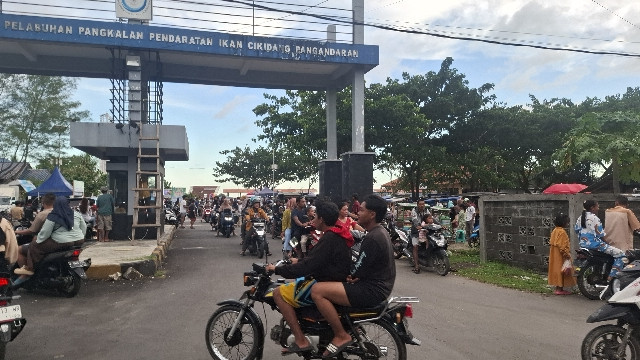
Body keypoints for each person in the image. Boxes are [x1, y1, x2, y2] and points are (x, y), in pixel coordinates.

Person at [310, 194, 396, 358]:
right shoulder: (380, 232)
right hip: (379, 287)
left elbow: (358, 269)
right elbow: (366, 265)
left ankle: (341, 335)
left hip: (372, 291)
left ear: (372, 214)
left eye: (361, 210)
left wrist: (351, 275)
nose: (356, 214)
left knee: (317, 291)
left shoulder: (373, 237)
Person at [265, 201, 352, 355]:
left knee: (278, 293)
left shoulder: (329, 238)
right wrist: (298, 261)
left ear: (322, 219)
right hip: (330, 277)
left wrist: (277, 269)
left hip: (324, 282)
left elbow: (308, 266)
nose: (313, 219)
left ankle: (301, 340)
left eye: (316, 216)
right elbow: (316, 259)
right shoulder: (335, 233)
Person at [14, 196, 86, 278]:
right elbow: (84, 228)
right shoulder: (76, 214)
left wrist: (38, 239)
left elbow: (45, 233)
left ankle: (30, 269)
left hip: (62, 242)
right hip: (78, 241)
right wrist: (80, 236)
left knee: (33, 245)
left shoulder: (53, 215)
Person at [575, 200, 626, 280]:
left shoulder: (580, 218)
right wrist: (607, 243)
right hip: (596, 245)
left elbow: (577, 231)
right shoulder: (594, 218)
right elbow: (600, 234)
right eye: (597, 206)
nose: (598, 208)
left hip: (583, 245)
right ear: (592, 208)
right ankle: (612, 276)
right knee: (621, 254)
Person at [548, 213, 576, 295]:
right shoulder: (562, 232)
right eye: (567, 222)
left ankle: (558, 288)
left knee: (557, 271)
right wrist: (567, 255)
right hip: (561, 256)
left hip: (554, 256)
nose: (568, 224)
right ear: (563, 222)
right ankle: (560, 289)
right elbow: (562, 247)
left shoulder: (555, 231)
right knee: (562, 271)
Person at [410, 199, 430, 274]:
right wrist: (417, 226)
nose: (422, 205)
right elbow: (414, 220)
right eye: (420, 204)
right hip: (416, 231)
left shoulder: (426, 210)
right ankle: (416, 266)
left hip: (425, 231)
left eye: (423, 204)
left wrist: (439, 225)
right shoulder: (414, 211)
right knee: (415, 246)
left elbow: (431, 218)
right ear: (417, 205)